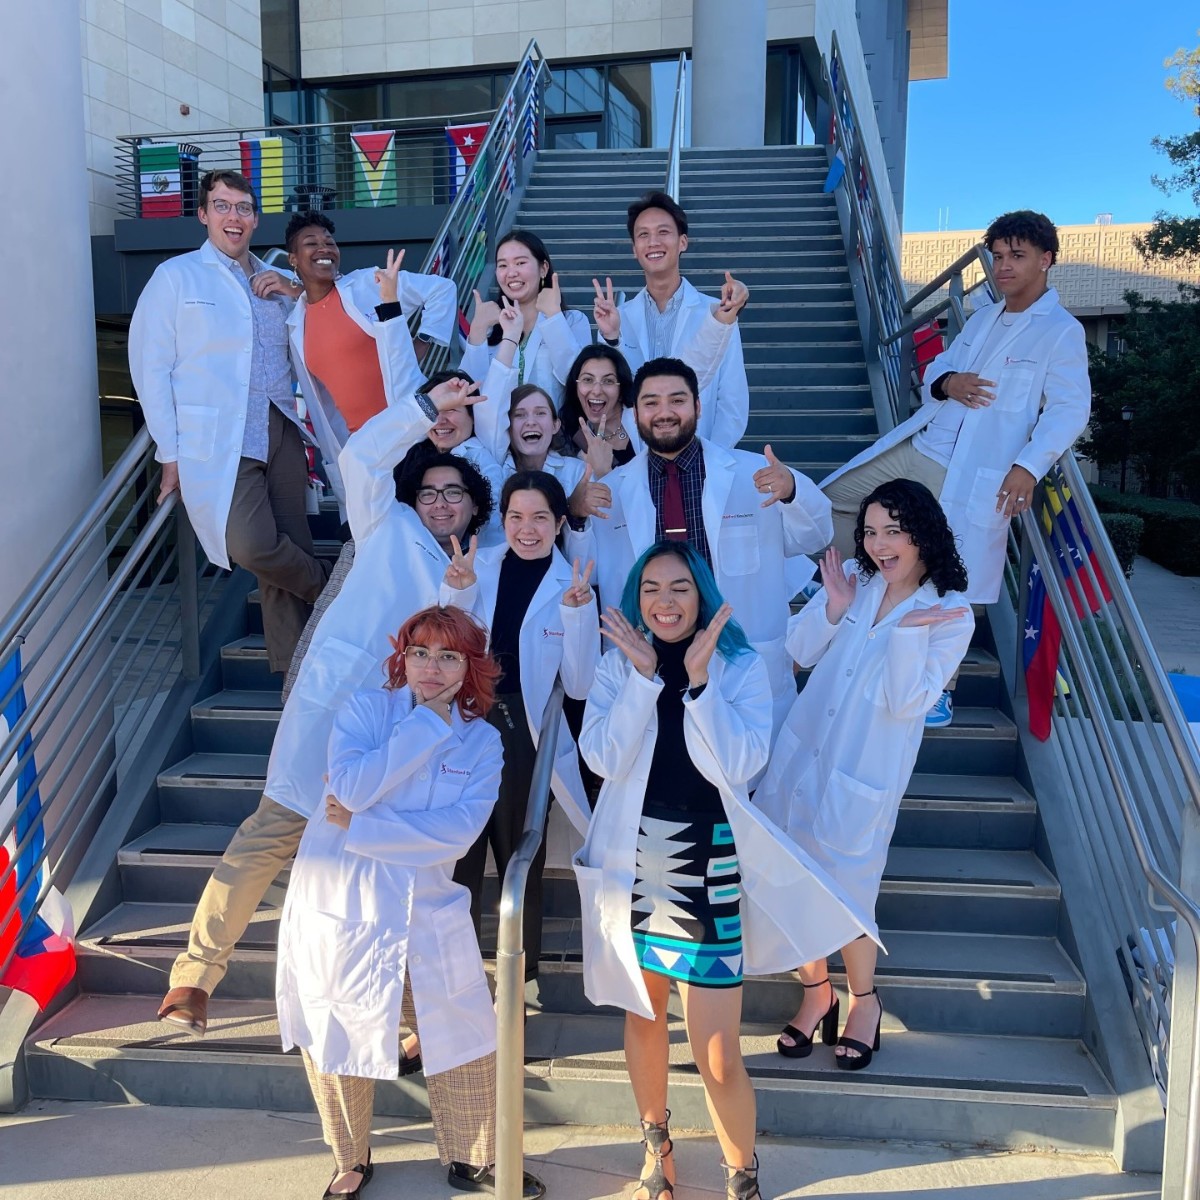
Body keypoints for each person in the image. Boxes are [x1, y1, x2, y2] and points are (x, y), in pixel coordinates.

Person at [156, 379, 493, 1040]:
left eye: (455, 493)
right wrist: (426, 409)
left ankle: (406, 1017)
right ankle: (194, 977)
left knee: (391, 874)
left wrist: (464, 591)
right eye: (430, 490)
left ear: (475, 504)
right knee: (271, 831)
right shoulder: (385, 526)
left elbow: (461, 653)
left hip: (402, 737)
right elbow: (362, 458)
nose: (441, 502)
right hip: (333, 711)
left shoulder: (489, 560)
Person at [575, 543, 871, 1200]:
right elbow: (601, 757)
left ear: (701, 593)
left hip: (708, 863)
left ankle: (742, 1174)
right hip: (637, 860)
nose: (665, 601)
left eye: (680, 587)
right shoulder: (616, 666)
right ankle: (657, 1148)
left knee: (716, 1051)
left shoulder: (738, 666)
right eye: (651, 588)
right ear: (636, 598)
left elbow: (739, 763)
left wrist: (699, 687)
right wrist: (646, 679)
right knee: (644, 1018)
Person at [277, 604, 545, 1199]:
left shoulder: (482, 743)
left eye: (448, 655)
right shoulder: (366, 711)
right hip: (343, 900)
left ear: (471, 665)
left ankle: (474, 1157)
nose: (430, 667)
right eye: (420, 653)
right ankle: (349, 1157)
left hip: (427, 900)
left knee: (466, 1032)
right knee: (336, 1029)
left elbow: (455, 833)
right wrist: (423, 724)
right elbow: (349, 788)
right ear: (403, 658)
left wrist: (364, 826)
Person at [820, 210, 1090, 726]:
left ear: (1046, 259)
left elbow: (1069, 409)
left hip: (977, 472)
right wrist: (950, 384)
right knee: (829, 497)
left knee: (952, 577)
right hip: (925, 447)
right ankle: (853, 580)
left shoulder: (1060, 332)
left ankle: (942, 687)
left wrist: (1028, 467)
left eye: (1017, 256)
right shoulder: (985, 316)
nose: (1003, 266)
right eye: (998, 256)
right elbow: (940, 368)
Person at [755, 480, 973, 1071]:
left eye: (894, 530)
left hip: (864, 775)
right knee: (791, 879)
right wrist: (833, 607)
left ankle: (864, 1001)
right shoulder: (855, 577)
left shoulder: (947, 612)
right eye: (871, 530)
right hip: (803, 755)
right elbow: (798, 652)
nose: (880, 544)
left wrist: (906, 634)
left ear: (923, 532)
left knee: (849, 892)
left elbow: (908, 703)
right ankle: (816, 992)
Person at [129, 169, 329, 673]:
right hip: (221, 437)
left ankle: (297, 682)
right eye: (222, 206)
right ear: (203, 214)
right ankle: (333, 584)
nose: (233, 217)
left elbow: (334, 313)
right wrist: (169, 452)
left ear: (255, 218)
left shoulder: (278, 278)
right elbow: (150, 367)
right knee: (251, 545)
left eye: (243, 208)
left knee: (288, 550)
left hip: (280, 425)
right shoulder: (176, 278)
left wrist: (296, 292)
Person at [573, 356, 833, 734]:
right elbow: (584, 568)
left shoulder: (752, 474)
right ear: (634, 413)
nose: (665, 412)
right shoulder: (611, 491)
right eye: (651, 403)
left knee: (746, 777)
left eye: (677, 400)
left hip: (739, 654)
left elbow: (816, 537)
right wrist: (576, 513)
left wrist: (793, 491)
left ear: (697, 406)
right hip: (650, 658)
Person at [441, 472, 599, 988]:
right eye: (515, 517)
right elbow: (444, 655)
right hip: (463, 722)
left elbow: (578, 685)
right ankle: (453, 983)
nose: (526, 529)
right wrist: (457, 595)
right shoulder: (473, 569)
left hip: (522, 733)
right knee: (456, 853)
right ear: (501, 520)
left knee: (517, 856)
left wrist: (578, 617)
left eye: (539, 518)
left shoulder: (572, 585)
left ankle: (519, 982)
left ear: (558, 524)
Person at [283, 211, 456, 515]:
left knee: (424, 521)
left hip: (409, 431)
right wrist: (289, 285)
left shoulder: (364, 284)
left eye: (330, 242)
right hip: (364, 451)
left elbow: (442, 289)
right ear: (293, 259)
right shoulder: (296, 322)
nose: (324, 248)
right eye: (311, 243)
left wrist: (422, 342)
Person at [592, 192, 750, 447]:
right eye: (643, 234)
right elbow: (615, 398)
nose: (653, 242)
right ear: (634, 249)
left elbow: (732, 402)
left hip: (701, 460)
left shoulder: (716, 312)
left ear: (683, 242)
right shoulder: (618, 318)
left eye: (663, 232)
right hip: (639, 464)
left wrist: (710, 458)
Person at [461, 229, 591, 405]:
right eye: (503, 265)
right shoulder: (490, 327)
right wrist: (477, 330)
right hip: (498, 431)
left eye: (520, 263)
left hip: (555, 430)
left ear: (543, 268)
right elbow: (469, 391)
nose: (511, 273)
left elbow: (578, 380)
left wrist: (554, 317)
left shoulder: (572, 320)